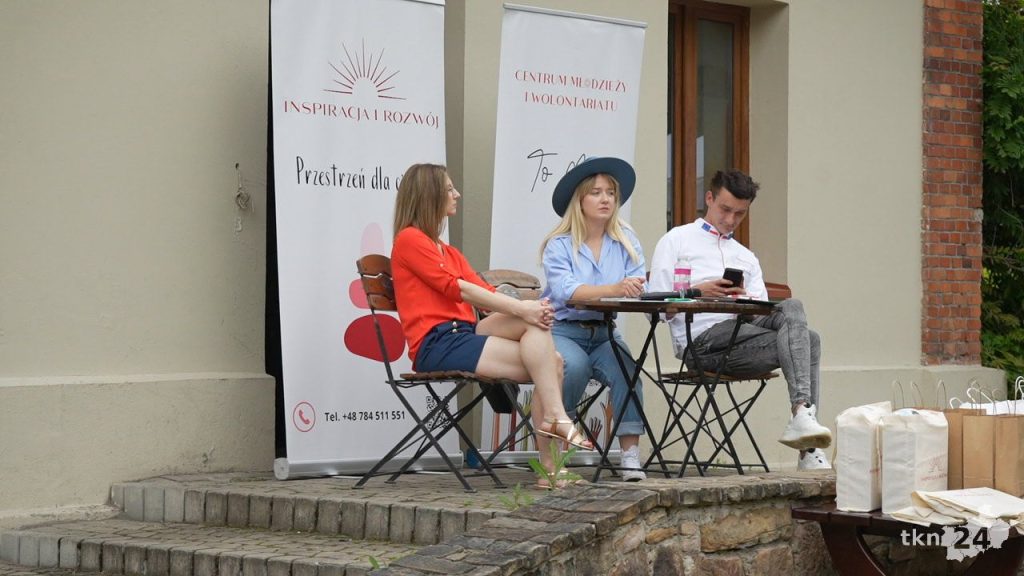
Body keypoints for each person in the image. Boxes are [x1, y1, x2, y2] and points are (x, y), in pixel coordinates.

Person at [390, 163, 592, 488]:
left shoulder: (448, 251)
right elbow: (458, 289)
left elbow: (483, 293)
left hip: (464, 333)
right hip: (437, 344)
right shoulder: (410, 240)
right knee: (550, 361)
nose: (457, 194)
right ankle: (552, 459)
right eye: (449, 188)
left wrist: (530, 309)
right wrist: (522, 308)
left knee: (544, 345)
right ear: (429, 195)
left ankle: (554, 430)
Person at [648, 169, 833, 470]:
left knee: (797, 316)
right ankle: (807, 444)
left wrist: (743, 301)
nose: (731, 220)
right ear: (709, 198)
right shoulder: (676, 241)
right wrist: (699, 292)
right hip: (702, 344)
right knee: (808, 342)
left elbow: (764, 315)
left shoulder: (745, 256)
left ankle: (802, 415)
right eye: (725, 209)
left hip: (742, 334)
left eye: (740, 213)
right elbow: (654, 308)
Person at [540, 157, 648, 481]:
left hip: (604, 332)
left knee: (629, 371)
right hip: (564, 330)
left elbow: (639, 284)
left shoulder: (626, 242)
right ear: (580, 200)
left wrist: (634, 289)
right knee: (572, 367)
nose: (605, 199)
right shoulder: (559, 245)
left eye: (611, 193)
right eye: (596, 192)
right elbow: (566, 292)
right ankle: (558, 449)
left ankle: (629, 457)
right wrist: (615, 289)